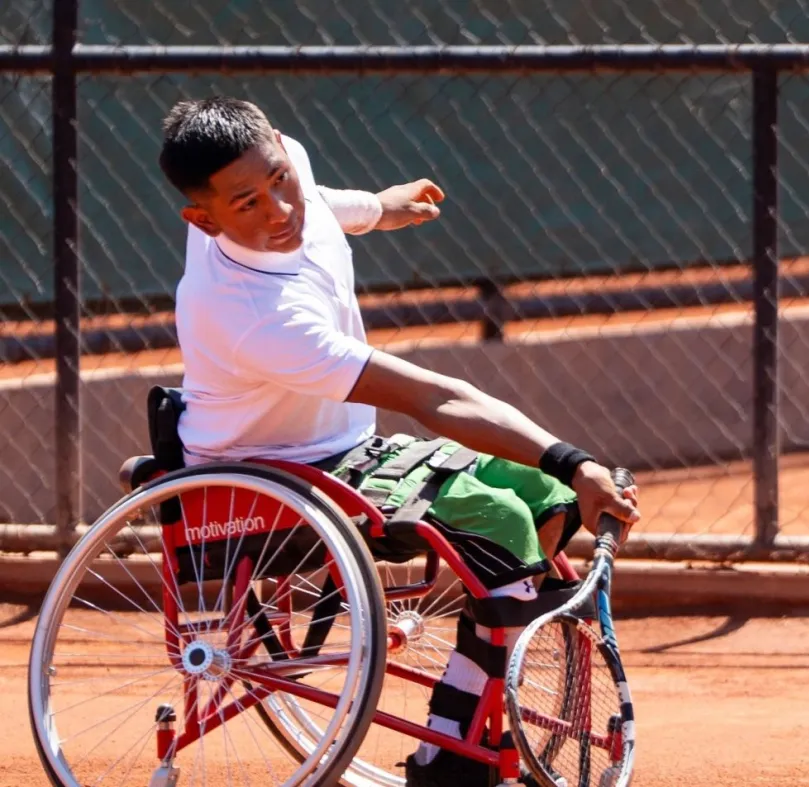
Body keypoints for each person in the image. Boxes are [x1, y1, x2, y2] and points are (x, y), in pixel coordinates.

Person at [158, 95, 639, 786]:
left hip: (345, 456)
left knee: (545, 493)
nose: (280, 210)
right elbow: (434, 398)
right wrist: (580, 457)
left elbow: (318, 200)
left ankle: (481, 676)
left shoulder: (280, 165)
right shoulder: (257, 318)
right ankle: (449, 755)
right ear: (203, 221)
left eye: (278, 182)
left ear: (276, 147)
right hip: (263, 489)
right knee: (501, 523)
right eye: (248, 206)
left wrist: (380, 207)